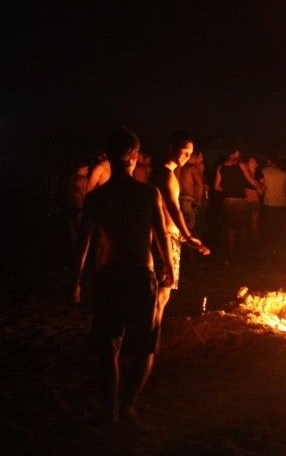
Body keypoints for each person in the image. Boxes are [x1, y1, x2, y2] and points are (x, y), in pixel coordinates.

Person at [72, 128, 174, 424]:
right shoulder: (147, 193)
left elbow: (83, 242)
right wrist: (167, 265)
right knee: (145, 347)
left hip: (109, 275)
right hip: (141, 276)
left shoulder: (97, 198)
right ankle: (128, 403)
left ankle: (111, 409)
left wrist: (75, 281)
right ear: (133, 157)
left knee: (109, 347)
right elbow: (162, 234)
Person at [149, 132, 210, 315]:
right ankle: (151, 337)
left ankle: (151, 335)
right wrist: (189, 237)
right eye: (184, 152)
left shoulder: (166, 173)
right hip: (164, 238)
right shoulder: (165, 175)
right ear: (171, 149)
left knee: (162, 294)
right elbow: (173, 209)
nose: (187, 157)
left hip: (169, 236)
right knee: (161, 293)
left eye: (190, 153)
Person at [214, 149, 262, 260]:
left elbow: (216, 187)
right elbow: (251, 181)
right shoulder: (241, 164)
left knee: (230, 227)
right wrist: (260, 186)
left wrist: (227, 190)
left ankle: (231, 253)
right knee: (243, 227)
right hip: (240, 200)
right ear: (236, 152)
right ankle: (242, 252)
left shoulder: (220, 167)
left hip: (227, 201)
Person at [260, 155, 286, 255]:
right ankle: (279, 248)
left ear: (270, 162)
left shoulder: (264, 171)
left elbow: (261, 185)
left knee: (270, 228)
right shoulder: (284, 173)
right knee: (279, 227)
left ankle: (270, 248)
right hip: (281, 204)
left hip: (269, 203)